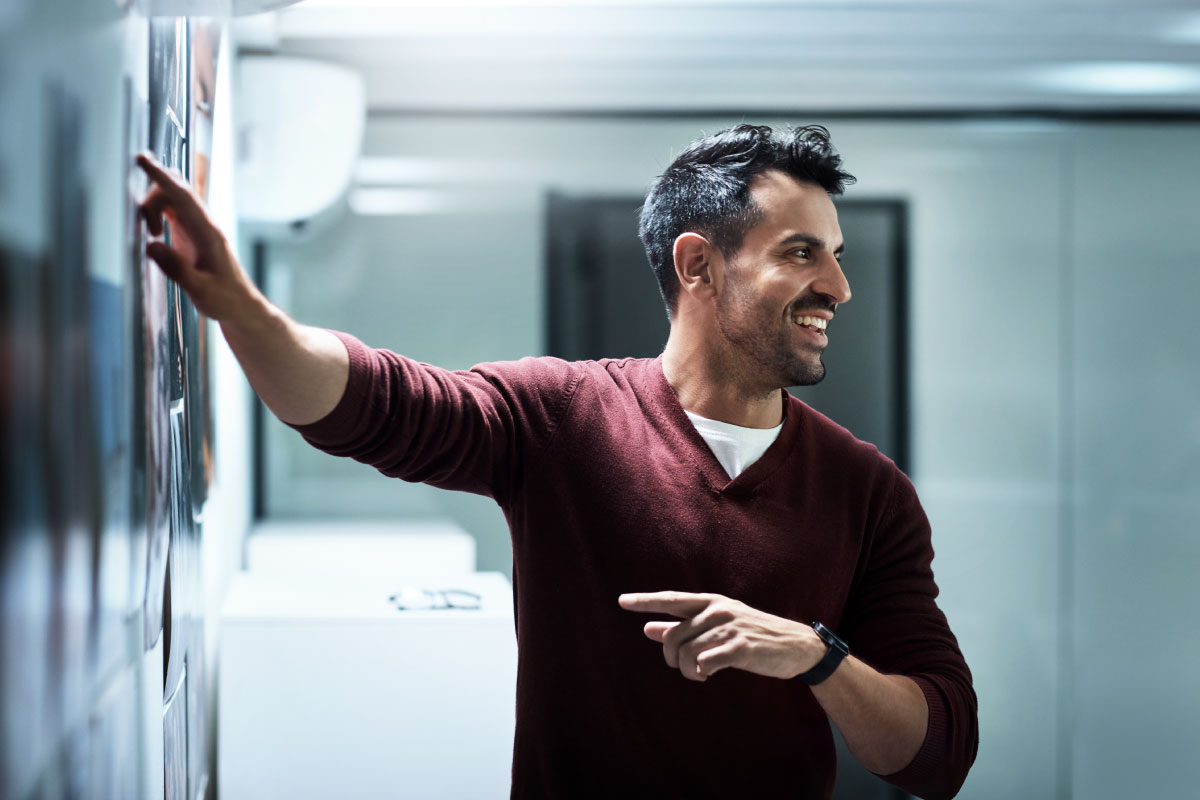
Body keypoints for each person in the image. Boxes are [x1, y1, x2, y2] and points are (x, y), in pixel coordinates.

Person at [137, 123, 978, 800]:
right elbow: (372, 406)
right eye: (802, 252)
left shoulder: (867, 492)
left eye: (837, 254)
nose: (839, 285)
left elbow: (936, 753)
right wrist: (241, 312)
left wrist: (815, 654)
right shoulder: (560, 417)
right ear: (698, 266)